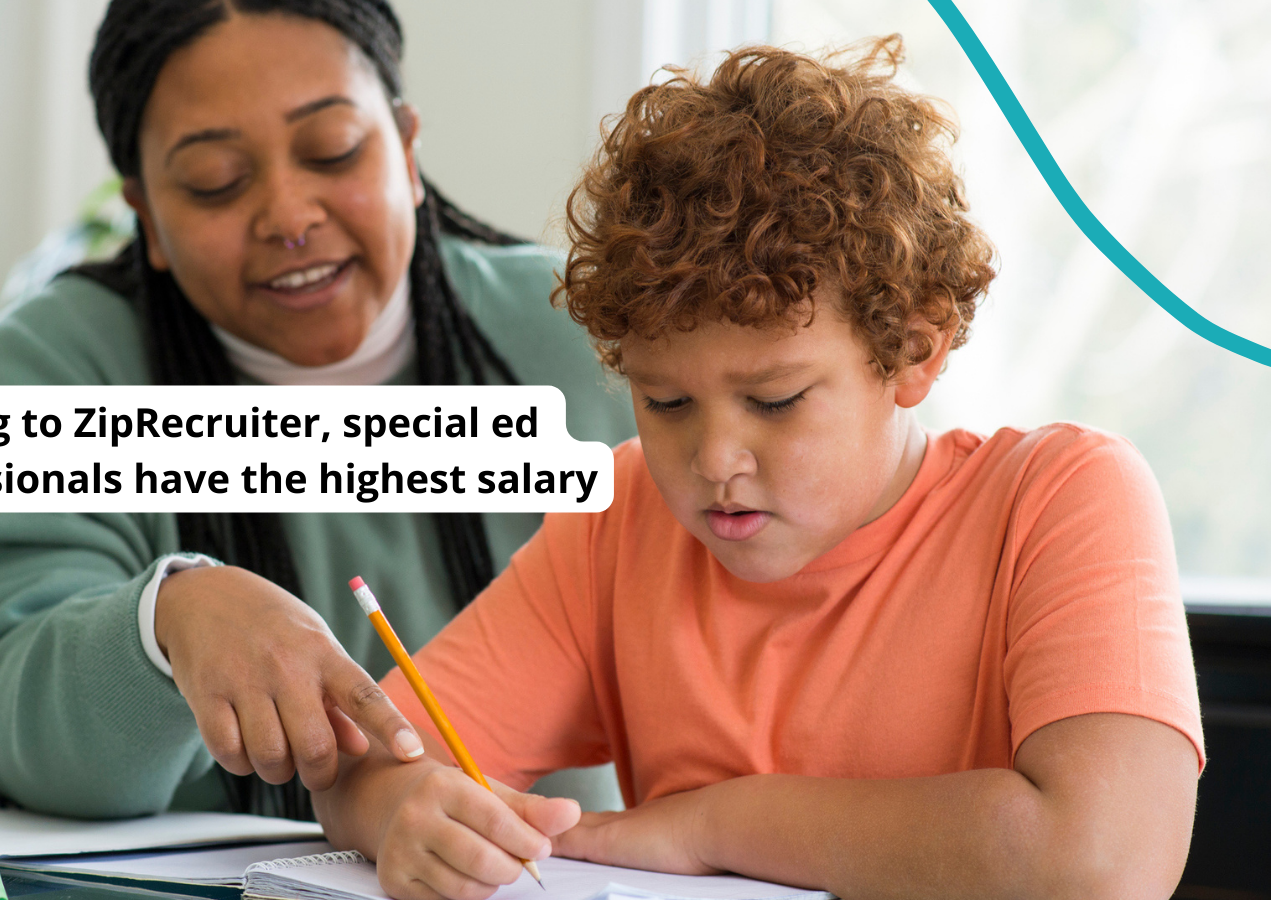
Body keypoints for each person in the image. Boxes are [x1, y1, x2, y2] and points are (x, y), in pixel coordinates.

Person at [313, 38, 1202, 900]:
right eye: (664, 403)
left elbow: (1102, 862)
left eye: (775, 402)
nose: (713, 461)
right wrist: (402, 810)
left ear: (916, 349)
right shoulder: (620, 521)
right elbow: (367, 766)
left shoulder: (1061, 497)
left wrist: (713, 828)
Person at [0, 0, 635, 820]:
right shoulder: (50, 372)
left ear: (408, 149)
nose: (289, 217)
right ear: (148, 219)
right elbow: (2, 698)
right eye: (216, 181)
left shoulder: (587, 331)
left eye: (333, 150)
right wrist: (164, 621)